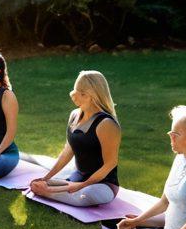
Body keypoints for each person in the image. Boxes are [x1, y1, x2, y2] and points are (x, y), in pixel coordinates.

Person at [28, 71, 121, 205]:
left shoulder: (106, 124)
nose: (75, 97)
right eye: (76, 92)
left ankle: (49, 192)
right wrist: (46, 177)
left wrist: (79, 186)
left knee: (84, 195)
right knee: (36, 184)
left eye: (81, 94)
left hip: (102, 185)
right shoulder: (74, 115)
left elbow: (110, 164)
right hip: (76, 178)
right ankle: (51, 190)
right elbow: (67, 152)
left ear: (93, 95)